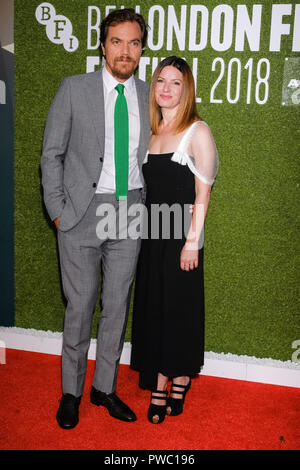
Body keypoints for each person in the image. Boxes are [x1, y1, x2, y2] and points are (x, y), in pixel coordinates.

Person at [40, 8, 150, 429]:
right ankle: (71, 392)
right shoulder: (74, 89)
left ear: (141, 49)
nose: (125, 50)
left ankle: (104, 388)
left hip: (129, 210)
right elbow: (51, 154)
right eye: (117, 41)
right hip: (80, 214)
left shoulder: (147, 94)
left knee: (117, 305)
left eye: (134, 43)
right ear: (103, 45)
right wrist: (58, 211)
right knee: (80, 306)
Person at [130, 56, 218, 424]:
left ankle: (165, 383)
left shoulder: (198, 132)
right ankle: (175, 376)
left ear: (187, 89)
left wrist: (191, 243)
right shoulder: (150, 132)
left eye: (175, 82)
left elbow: (203, 195)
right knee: (155, 309)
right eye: (160, 81)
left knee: (176, 312)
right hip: (152, 239)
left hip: (181, 241)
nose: (165, 89)